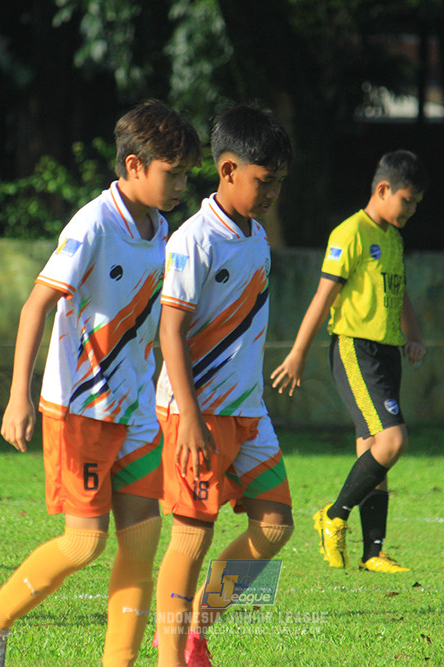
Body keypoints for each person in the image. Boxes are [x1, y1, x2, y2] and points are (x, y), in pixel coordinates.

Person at [0, 100, 201, 667]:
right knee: (84, 543)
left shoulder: (161, 226)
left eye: (188, 173)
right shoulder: (94, 222)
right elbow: (35, 306)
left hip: (136, 413)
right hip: (79, 411)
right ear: (136, 165)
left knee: (141, 543)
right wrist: (19, 395)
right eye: (175, 172)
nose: (183, 185)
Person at [153, 104, 295, 667]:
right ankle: (171, 659)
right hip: (198, 414)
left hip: (248, 412)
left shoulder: (257, 237)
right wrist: (187, 416)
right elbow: (170, 332)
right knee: (191, 538)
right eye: (264, 181)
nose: (271, 193)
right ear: (229, 169)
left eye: (280, 183)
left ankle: (194, 631)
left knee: (276, 524)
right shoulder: (194, 240)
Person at [270, 149, 428, 574]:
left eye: (416, 204)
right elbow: (324, 297)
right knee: (393, 441)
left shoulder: (393, 237)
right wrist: (298, 352)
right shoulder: (350, 233)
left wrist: (413, 334)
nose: (411, 210)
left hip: (387, 351)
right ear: (383, 189)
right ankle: (334, 516)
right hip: (355, 350)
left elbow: (402, 291)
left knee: (373, 452)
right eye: (407, 201)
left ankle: (373, 551)